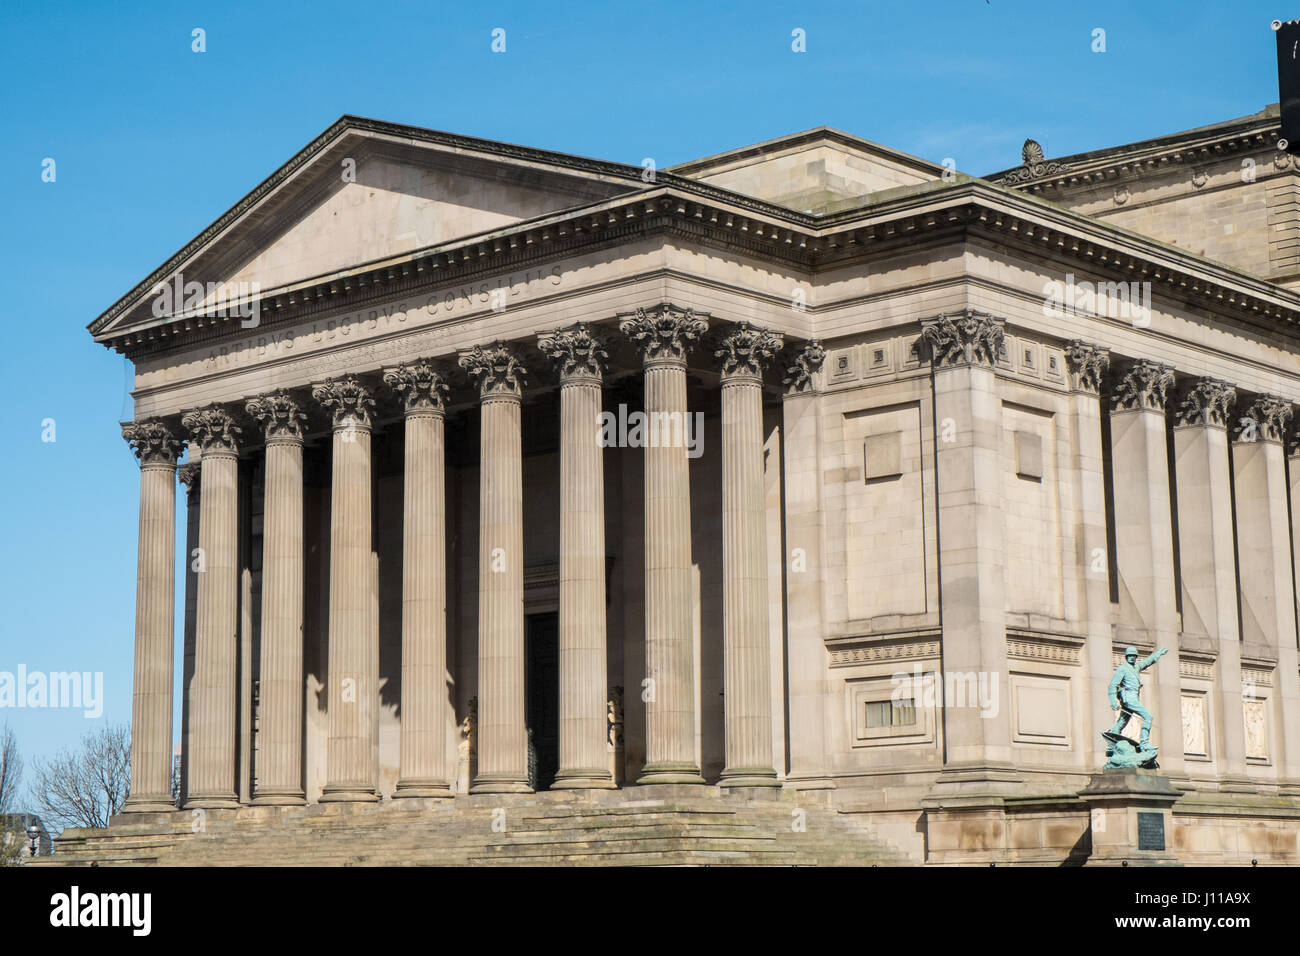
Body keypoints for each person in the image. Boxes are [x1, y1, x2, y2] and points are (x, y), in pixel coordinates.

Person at [1108, 645, 1168, 746]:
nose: (1132, 657)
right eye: (1130, 655)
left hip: (1133, 698)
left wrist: (1158, 654)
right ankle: (1144, 742)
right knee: (1148, 717)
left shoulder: (1136, 667)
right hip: (1129, 698)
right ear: (1126, 657)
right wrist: (1113, 701)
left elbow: (1147, 662)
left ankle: (1112, 735)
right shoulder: (1123, 669)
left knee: (1123, 720)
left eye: (1134, 656)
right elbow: (1113, 685)